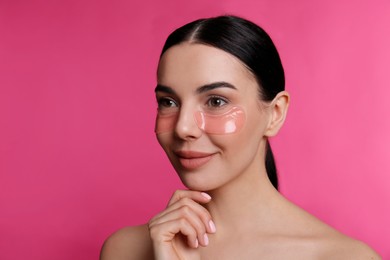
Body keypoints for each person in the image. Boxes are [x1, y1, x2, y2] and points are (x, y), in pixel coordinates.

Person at [100, 15, 380, 259]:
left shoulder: (343, 257)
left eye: (217, 101)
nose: (183, 128)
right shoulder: (125, 250)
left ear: (275, 113)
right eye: (168, 102)